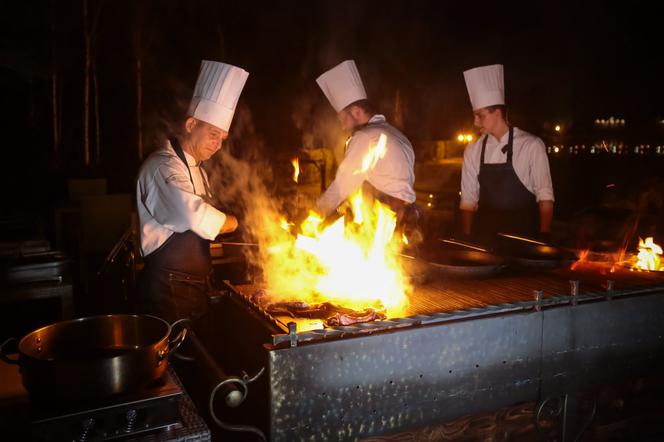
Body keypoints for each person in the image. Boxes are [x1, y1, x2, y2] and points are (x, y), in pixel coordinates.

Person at [136, 60, 248, 325]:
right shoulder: (162, 166)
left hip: (193, 288)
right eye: (212, 134)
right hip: (166, 291)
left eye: (222, 138)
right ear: (190, 124)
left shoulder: (198, 169)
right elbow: (192, 214)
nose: (218, 145)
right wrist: (234, 222)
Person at [315, 60, 419, 240]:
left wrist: (315, 214)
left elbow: (343, 185)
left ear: (356, 112)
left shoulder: (365, 137)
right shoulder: (395, 134)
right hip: (408, 218)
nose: (342, 126)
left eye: (342, 119)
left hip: (385, 221)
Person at [459, 64, 554, 240]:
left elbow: (545, 196)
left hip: (525, 237)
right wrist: (467, 237)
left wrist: (544, 235)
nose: (475, 123)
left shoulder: (531, 145)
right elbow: (468, 200)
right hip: (486, 238)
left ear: (497, 112)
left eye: (480, 115)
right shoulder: (473, 150)